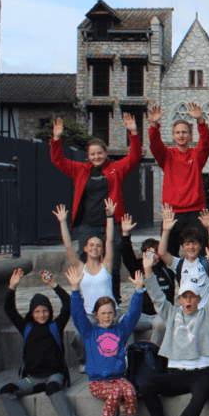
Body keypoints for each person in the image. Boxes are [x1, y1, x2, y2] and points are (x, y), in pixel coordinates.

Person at [139, 237, 209, 416]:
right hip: (177, 373)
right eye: (184, 296)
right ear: (179, 299)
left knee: (199, 396)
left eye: (192, 297)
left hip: (201, 373)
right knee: (147, 383)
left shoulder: (207, 314)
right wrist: (148, 270)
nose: (188, 301)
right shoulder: (172, 313)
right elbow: (157, 297)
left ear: (198, 299)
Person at [50, 114, 141, 305]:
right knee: (86, 264)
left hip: (111, 223)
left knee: (113, 265)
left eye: (100, 153)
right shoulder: (80, 170)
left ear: (105, 153)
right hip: (88, 225)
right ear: (88, 155)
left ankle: (113, 300)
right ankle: (89, 300)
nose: (96, 157)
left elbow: (134, 157)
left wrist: (133, 132)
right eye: (92, 154)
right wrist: (56, 139)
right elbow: (59, 161)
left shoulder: (116, 169)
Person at [0, 268, 87, 416]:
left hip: (54, 375)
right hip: (32, 379)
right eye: (37, 311)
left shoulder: (55, 326)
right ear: (32, 313)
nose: (42, 315)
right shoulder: (26, 328)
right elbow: (9, 309)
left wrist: (53, 284)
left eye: (45, 311)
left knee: (53, 387)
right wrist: (12, 287)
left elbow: (68, 304)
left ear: (50, 311)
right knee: (6, 391)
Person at [65, 265, 144, 416]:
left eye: (110, 313)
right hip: (98, 382)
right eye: (103, 313)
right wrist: (75, 290)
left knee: (130, 390)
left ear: (115, 314)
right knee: (116, 392)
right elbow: (77, 314)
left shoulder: (120, 330)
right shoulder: (89, 331)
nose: (107, 316)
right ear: (96, 315)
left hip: (118, 377)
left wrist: (139, 291)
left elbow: (133, 315)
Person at [54, 199, 116, 374]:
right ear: (86, 249)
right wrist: (62, 222)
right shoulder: (80, 267)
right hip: (90, 314)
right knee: (80, 333)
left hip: (110, 311)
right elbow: (68, 247)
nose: (95, 248)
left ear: (102, 250)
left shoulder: (107, 265)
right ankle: (84, 360)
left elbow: (110, 240)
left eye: (98, 246)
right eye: (91, 245)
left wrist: (110, 216)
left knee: (124, 331)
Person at [148, 102, 209, 256]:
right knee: (169, 254)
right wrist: (153, 124)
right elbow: (155, 144)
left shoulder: (196, 156)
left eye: (184, 132)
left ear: (189, 134)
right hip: (172, 213)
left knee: (203, 253)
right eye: (177, 132)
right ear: (173, 135)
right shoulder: (166, 155)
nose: (181, 135)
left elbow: (206, 143)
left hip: (195, 212)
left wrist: (201, 122)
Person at [119, 213, 170, 345]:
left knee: (161, 324)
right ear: (143, 254)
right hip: (142, 315)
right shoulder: (138, 267)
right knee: (124, 321)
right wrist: (125, 234)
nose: (153, 257)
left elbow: (169, 251)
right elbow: (126, 253)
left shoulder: (166, 268)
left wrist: (166, 230)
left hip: (160, 315)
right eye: (149, 253)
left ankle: (153, 357)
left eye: (156, 253)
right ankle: (128, 356)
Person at [156, 204, 209, 308]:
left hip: (205, 314)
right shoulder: (179, 264)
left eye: (195, 243)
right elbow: (162, 253)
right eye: (187, 244)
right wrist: (166, 230)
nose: (191, 247)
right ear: (182, 247)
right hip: (186, 313)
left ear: (200, 245)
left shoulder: (207, 262)